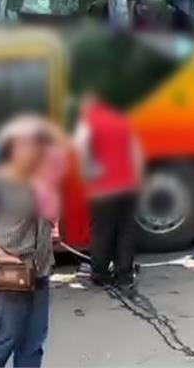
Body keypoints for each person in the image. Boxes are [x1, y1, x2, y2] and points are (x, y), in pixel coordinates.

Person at [0, 116, 56, 368]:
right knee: (5, 340)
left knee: (33, 343)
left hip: (40, 271)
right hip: (8, 274)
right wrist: (0, 255)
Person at [74, 93, 143, 290]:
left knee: (102, 231)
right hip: (128, 185)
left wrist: (88, 172)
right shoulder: (122, 120)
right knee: (125, 230)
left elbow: (80, 147)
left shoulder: (89, 122)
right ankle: (125, 276)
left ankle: (101, 275)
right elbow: (135, 151)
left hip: (103, 187)